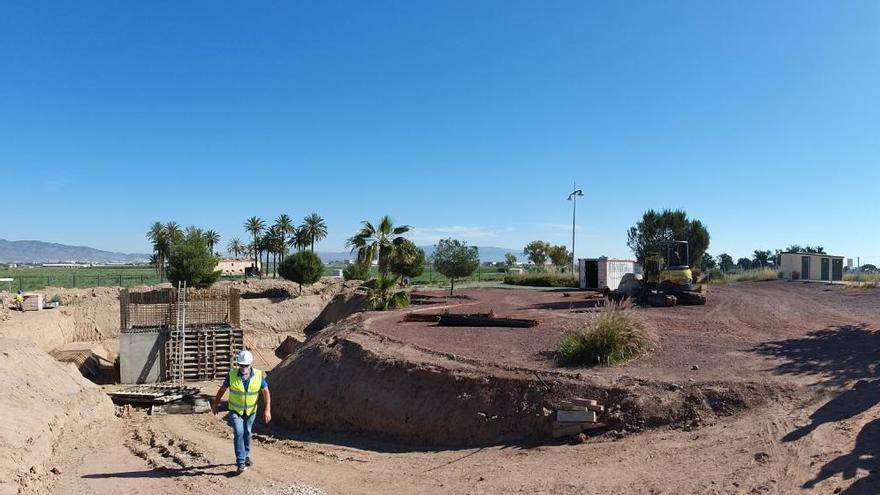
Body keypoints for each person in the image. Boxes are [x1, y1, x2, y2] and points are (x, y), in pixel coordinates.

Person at [211, 350, 271, 474]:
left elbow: (266, 392)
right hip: (235, 410)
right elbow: (222, 390)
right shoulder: (232, 375)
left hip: (251, 411)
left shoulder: (259, 376)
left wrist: (267, 409)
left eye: (245, 365)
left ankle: (246, 455)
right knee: (239, 432)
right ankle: (240, 462)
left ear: (250, 364)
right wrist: (215, 404)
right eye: (241, 365)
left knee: (247, 433)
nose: (243, 368)